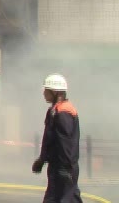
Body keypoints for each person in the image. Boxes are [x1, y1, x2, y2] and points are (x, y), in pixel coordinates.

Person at [32, 73, 83, 203]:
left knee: (64, 199)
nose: (44, 93)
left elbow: (65, 143)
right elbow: (50, 139)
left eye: (46, 90)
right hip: (58, 166)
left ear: (55, 92)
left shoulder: (63, 113)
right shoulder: (55, 111)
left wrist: (66, 169)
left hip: (63, 167)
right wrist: (42, 160)